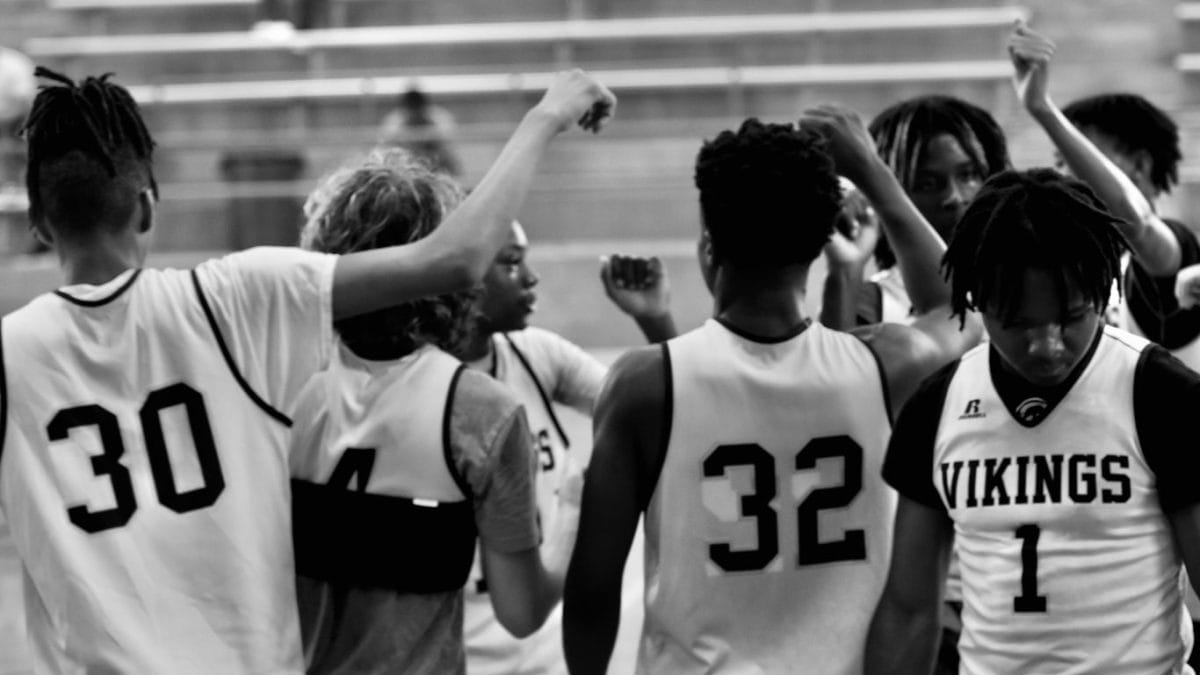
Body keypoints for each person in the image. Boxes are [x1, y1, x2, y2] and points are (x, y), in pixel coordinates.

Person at [1, 65, 614, 673]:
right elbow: (456, 260)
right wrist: (546, 115)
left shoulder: (10, 356)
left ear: (35, 221)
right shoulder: (235, 300)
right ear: (146, 207)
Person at [562, 107, 983, 674]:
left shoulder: (643, 385)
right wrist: (870, 169)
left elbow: (591, 593)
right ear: (818, 244)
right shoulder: (888, 363)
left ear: (710, 242)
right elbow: (954, 307)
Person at [864, 168, 1200, 674]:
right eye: (1017, 322)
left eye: (1070, 317)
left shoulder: (1160, 392)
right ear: (975, 298)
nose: (1046, 346)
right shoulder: (939, 403)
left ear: (1104, 291)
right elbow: (910, 610)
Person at [288, 148, 587, 674]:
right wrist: (572, 514)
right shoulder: (481, 411)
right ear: (448, 262)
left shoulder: (279, 387)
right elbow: (522, 611)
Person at [460, 221, 675, 675]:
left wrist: (654, 318)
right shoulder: (424, 385)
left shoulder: (535, 354)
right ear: (463, 271)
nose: (532, 277)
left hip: (546, 647)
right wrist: (576, 508)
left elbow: (671, 413)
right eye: (512, 263)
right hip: (463, 648)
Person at [820, 94, 1010, 328]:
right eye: (927, 184)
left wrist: (1043, 110)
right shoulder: (871, 303)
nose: (954, 197)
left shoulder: (1029, 284)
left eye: (968, 175)